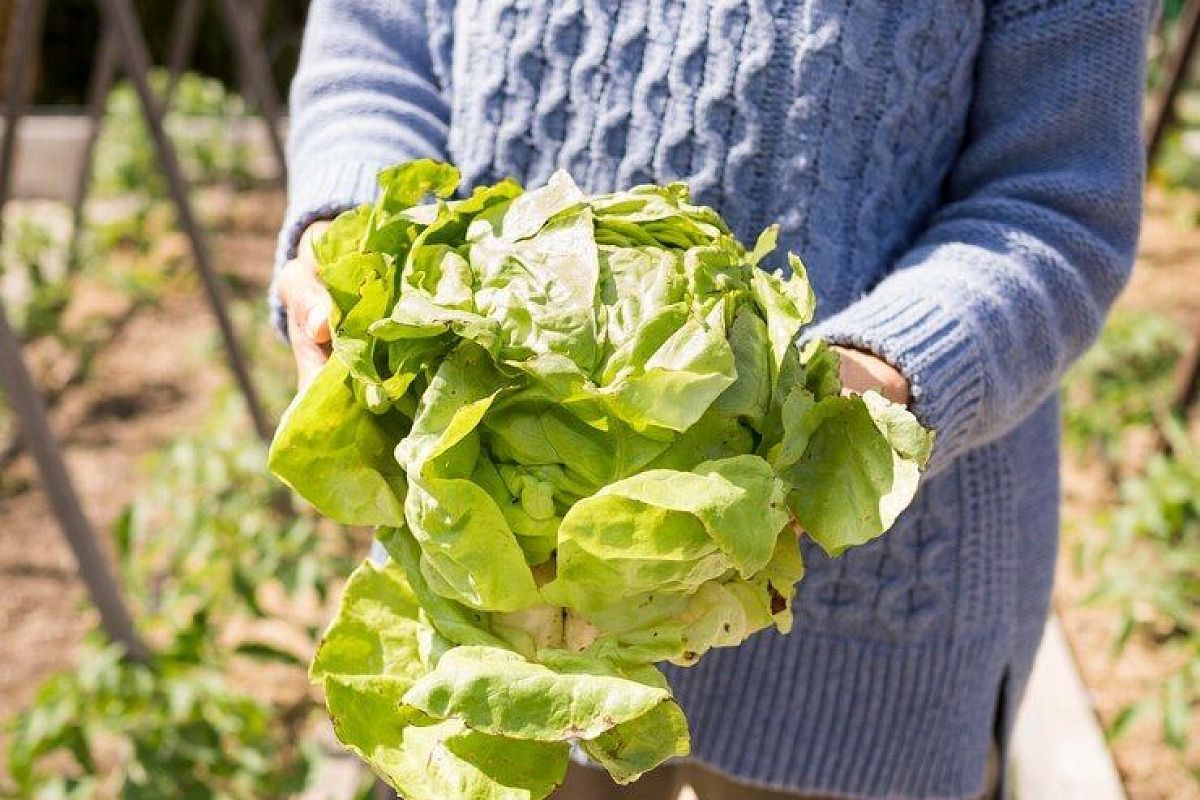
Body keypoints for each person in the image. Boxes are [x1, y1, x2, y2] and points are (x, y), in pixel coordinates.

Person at [271, 2, 1151, 798]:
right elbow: (378, 49)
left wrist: (862, 394)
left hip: (878, 629)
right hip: (504, 610)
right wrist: (349, 241)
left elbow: (1055, 203)